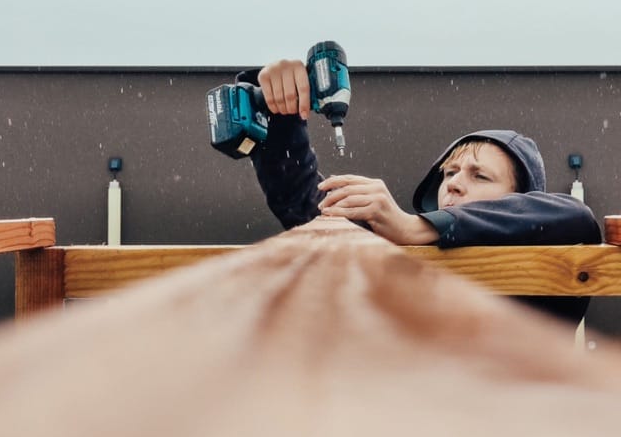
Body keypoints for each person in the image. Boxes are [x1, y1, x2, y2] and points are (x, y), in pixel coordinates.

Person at [237, 58, 601, 324]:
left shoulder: (550, 268)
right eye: (450, 172)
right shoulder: (403, 250)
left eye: (480, 176)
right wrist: (279, 112)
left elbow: (575, 217)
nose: (454, 182)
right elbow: (304, 204)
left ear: (522, 198)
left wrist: (416, 226)